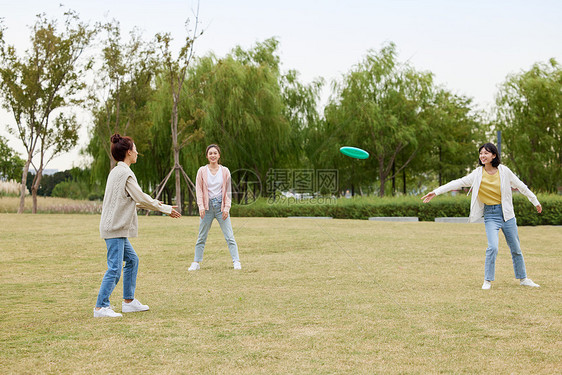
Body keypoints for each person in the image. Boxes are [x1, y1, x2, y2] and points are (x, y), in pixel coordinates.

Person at [421, 143, 542, 290]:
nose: (482, 156)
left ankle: (523, 279)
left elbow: (521, 186)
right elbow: (458, 182)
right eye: (481, 153)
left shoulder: (504, 171)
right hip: (491, 215)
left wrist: (534, 201)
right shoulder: (477, 173)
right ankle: (487, 280)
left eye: (486, 153)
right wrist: (436, 192)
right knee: (493, 247)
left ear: (494, 155)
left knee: (516, 248)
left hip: (507, 215)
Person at [94, 134, 181, 318]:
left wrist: (159, 206)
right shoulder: (125, 173)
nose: (137, 152)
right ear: (128, 152)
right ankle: (101, 307)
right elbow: (140, 197)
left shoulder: (117, 172)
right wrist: (164, 208)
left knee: (132, 260)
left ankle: (129, 301)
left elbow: (133, 200)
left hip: (115, 227)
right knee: (115, 268)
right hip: (115, 228)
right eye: (135, 149)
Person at [188, 144, 241, 271]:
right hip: (207, 208)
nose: (213, 155)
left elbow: (228, 191)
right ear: (207, 156)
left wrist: (227, 208)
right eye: (210, 153)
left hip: (221, 207)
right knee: (201, 236)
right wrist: (201, 206)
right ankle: (196, 262)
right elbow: (199, 191)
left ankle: (236, 261)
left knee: (229, 236)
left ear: (219, 155)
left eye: (215, 153)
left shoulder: (225, 171)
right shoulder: (201, 171)